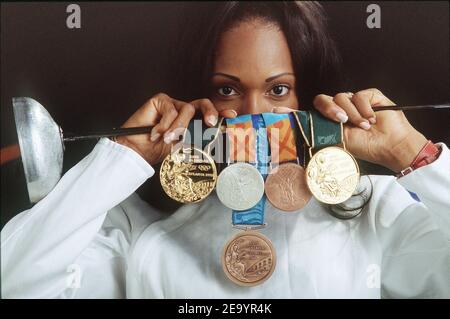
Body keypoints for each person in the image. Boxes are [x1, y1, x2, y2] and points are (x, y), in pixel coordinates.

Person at [2, 2, 449, 298]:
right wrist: (127, 155)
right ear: (197, 99)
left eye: (278, 89)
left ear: (308, 96)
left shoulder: (372, 208)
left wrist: (412, 152)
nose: (252, 114)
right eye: (227, 90)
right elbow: (15, 282)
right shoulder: (135, 226)